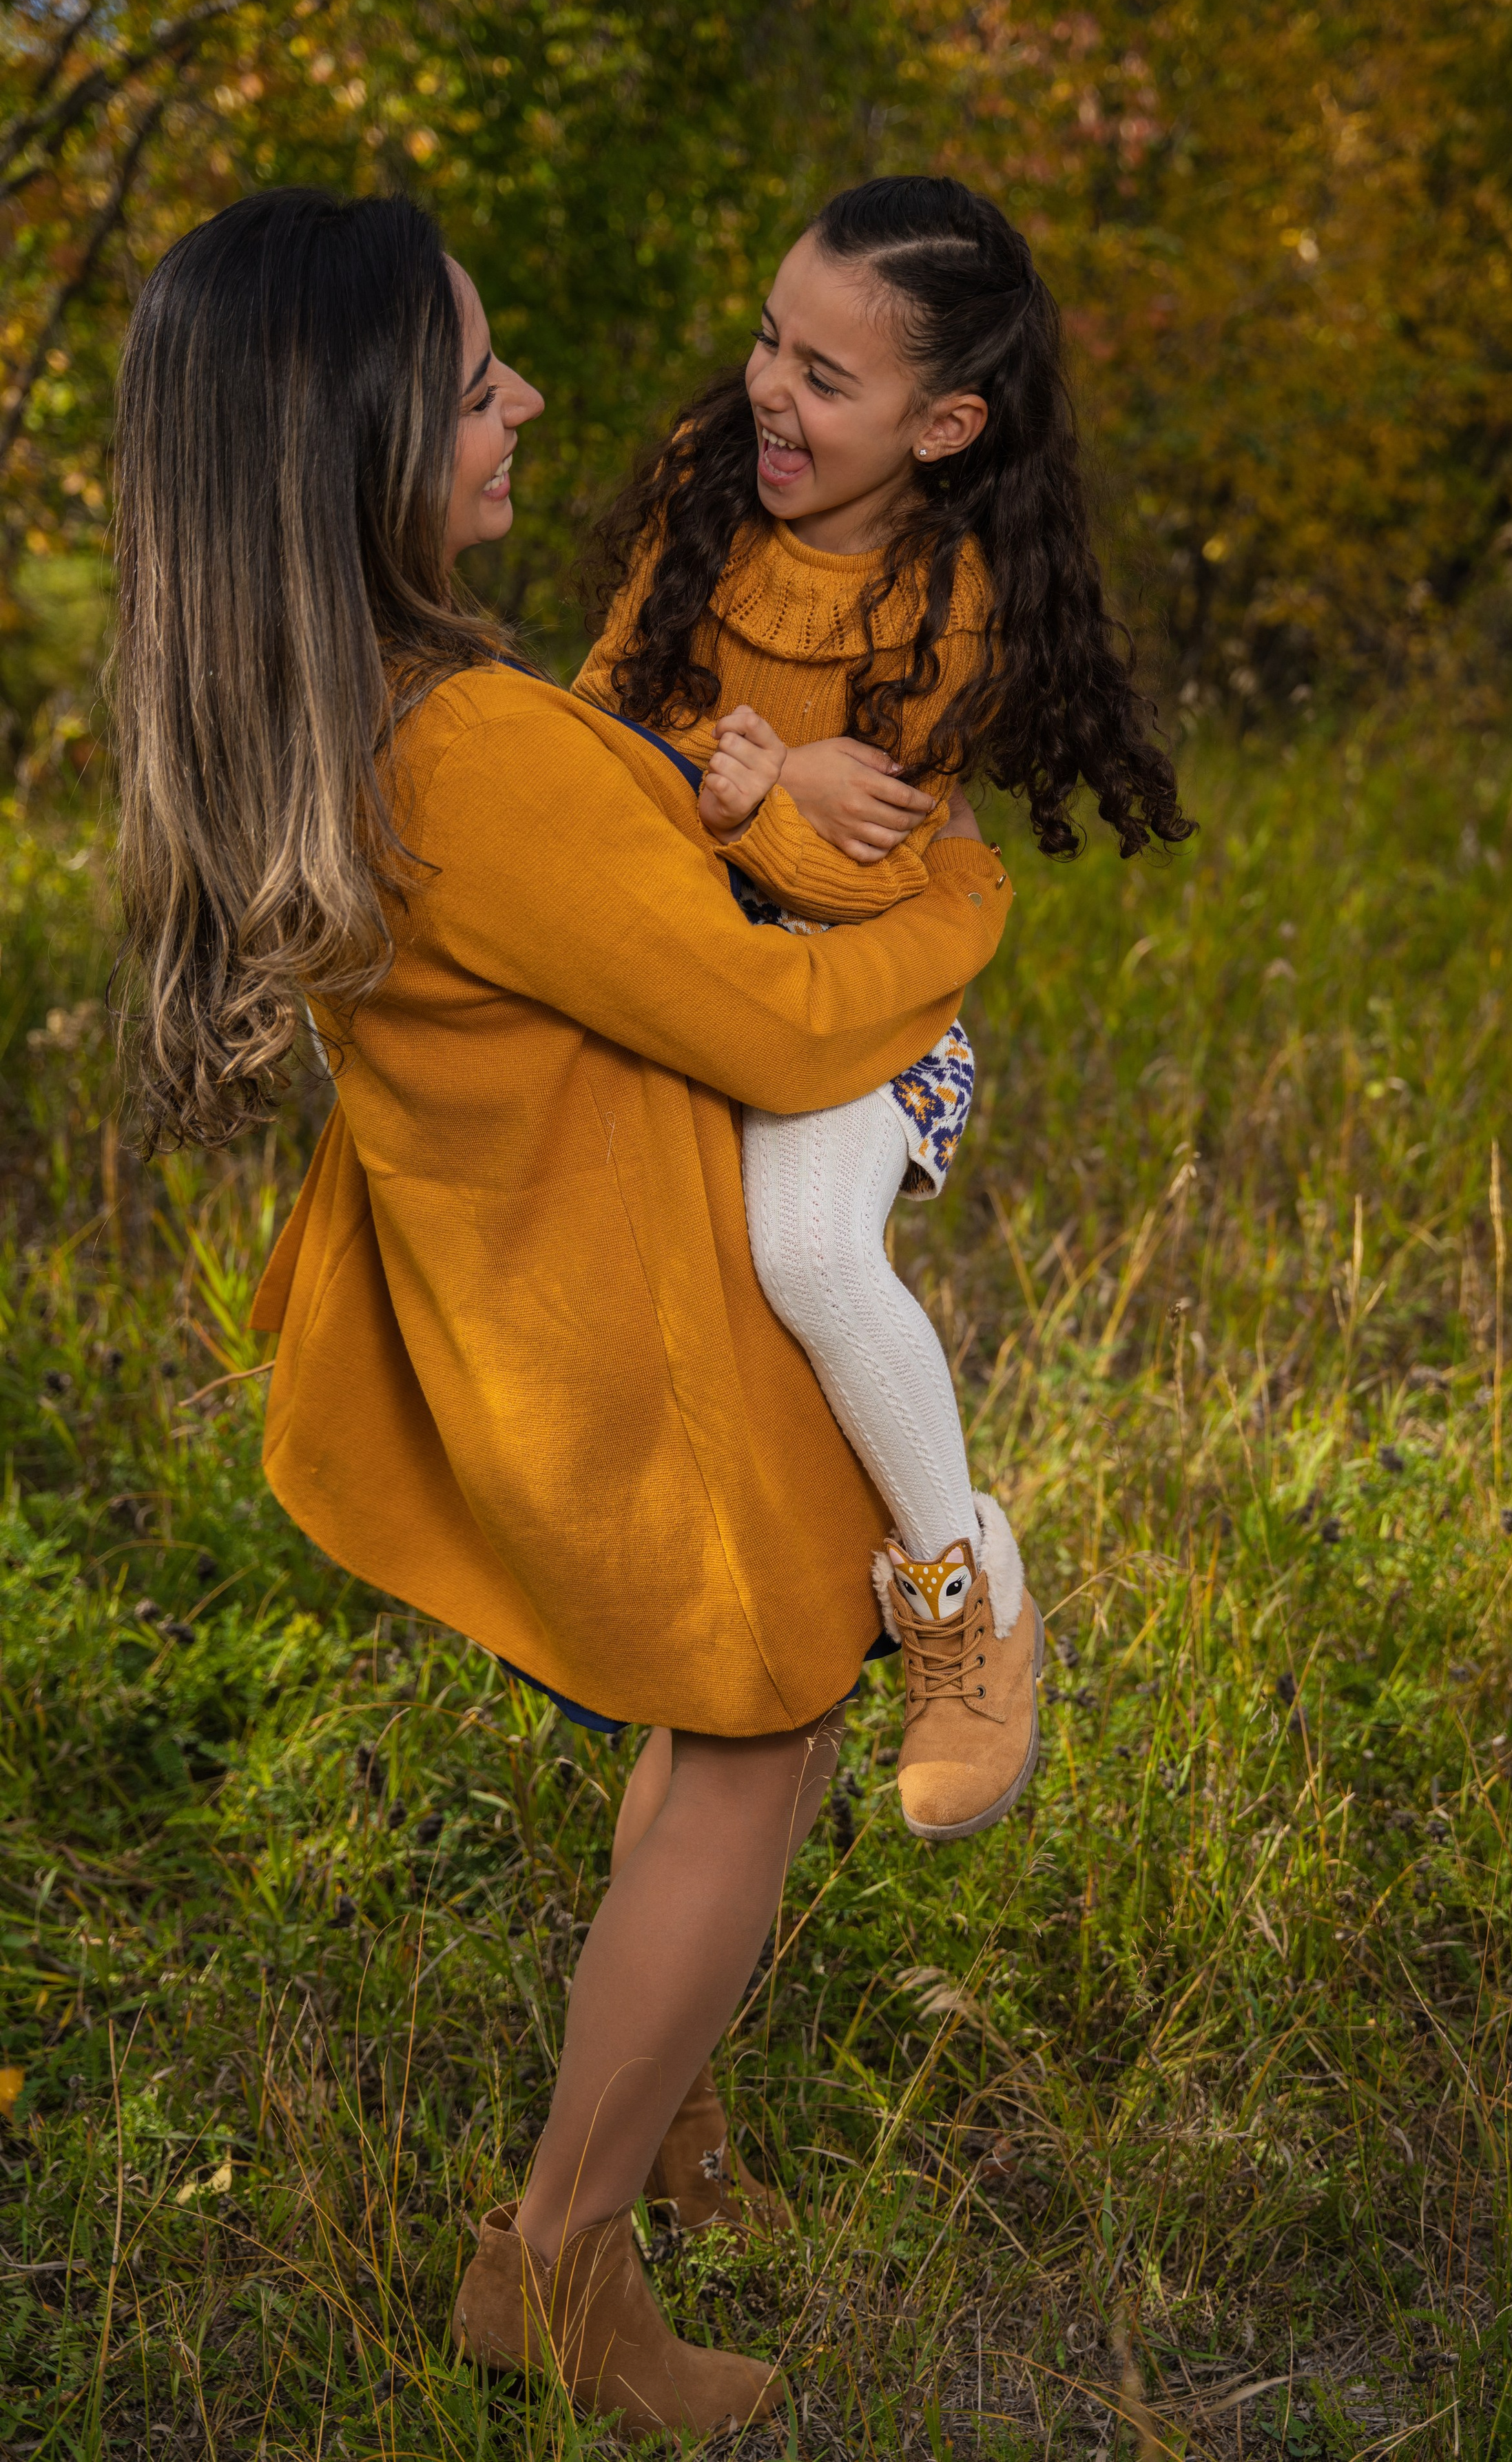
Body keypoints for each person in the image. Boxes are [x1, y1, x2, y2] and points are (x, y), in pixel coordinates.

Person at [106, 186, 1012, 2432]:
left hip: (551, 1292)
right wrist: (962, 900)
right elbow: (776, 1026)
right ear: (365, 428)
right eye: (480, 370)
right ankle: (559, 2262)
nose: (523, 400)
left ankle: (664, 2111)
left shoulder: (358, 704)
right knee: (764, 1730)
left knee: (709, 1729)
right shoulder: (473, 754)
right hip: (636, 1333)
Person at [575, 175, 1192, 1843]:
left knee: (809, 1255)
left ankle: (960, 1588)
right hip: (691, 974)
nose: (773, 388)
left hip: (865, 1013)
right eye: (771, 340)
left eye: (825, 378)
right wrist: (747, 775)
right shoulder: (704, 504)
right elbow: (592, 738)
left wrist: (750, 799)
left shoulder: (946, 606)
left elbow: (873, 879)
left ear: (943, 424)